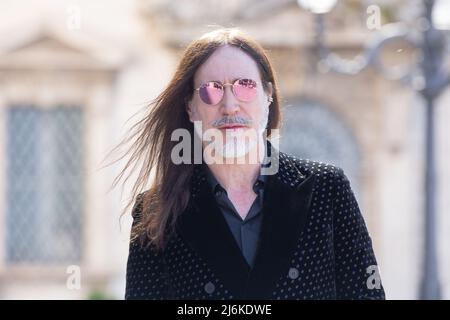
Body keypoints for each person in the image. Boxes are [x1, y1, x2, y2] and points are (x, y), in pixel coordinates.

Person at [122, 28, 385, 300]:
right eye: (210, 91)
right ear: (190, 106)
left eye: (244, 86)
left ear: (268, 94)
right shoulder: (157, 211)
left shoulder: (327, 189)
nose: (230, 106)